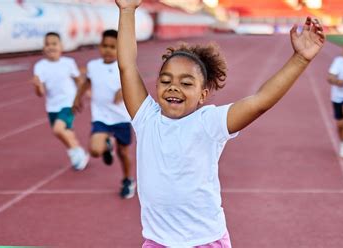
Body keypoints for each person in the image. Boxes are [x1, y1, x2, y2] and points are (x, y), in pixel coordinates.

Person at [117, 0, 325, 246]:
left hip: (205, 240)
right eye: (166, 80)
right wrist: (127, 10)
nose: (173, 87)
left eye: (186, 83)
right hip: (158, 241)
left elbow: (260, 102)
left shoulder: (209, 122)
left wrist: (299, 59)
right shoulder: (146, 118)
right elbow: (127, 66)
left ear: (203, 95)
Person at [73, 29, 135, 199]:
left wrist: (123, 90)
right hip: (101, 117)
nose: (108, 50)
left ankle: (128, 179)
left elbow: (134, 84)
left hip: (121, 117)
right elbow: (87, 82)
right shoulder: (93, 66)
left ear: (119, 49)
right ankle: (107, 144)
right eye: (104, 46)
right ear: (100, 46)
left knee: (123, 152)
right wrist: (77, 98)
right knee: (94, 151)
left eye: (112, 47)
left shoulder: (123, 67)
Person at [32, 32, 89, 171]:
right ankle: (79, 153)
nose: (51, 47)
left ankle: (76, 152)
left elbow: (79, 80)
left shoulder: (68, 63)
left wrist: (83, 95)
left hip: (68, 103)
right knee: (66, 133)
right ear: (43, 48)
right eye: (47, 44)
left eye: (54, 43)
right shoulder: (40, 66)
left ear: (61, 46)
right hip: (52, 106)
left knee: (58, 129)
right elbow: (40, 93)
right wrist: (38, 86)